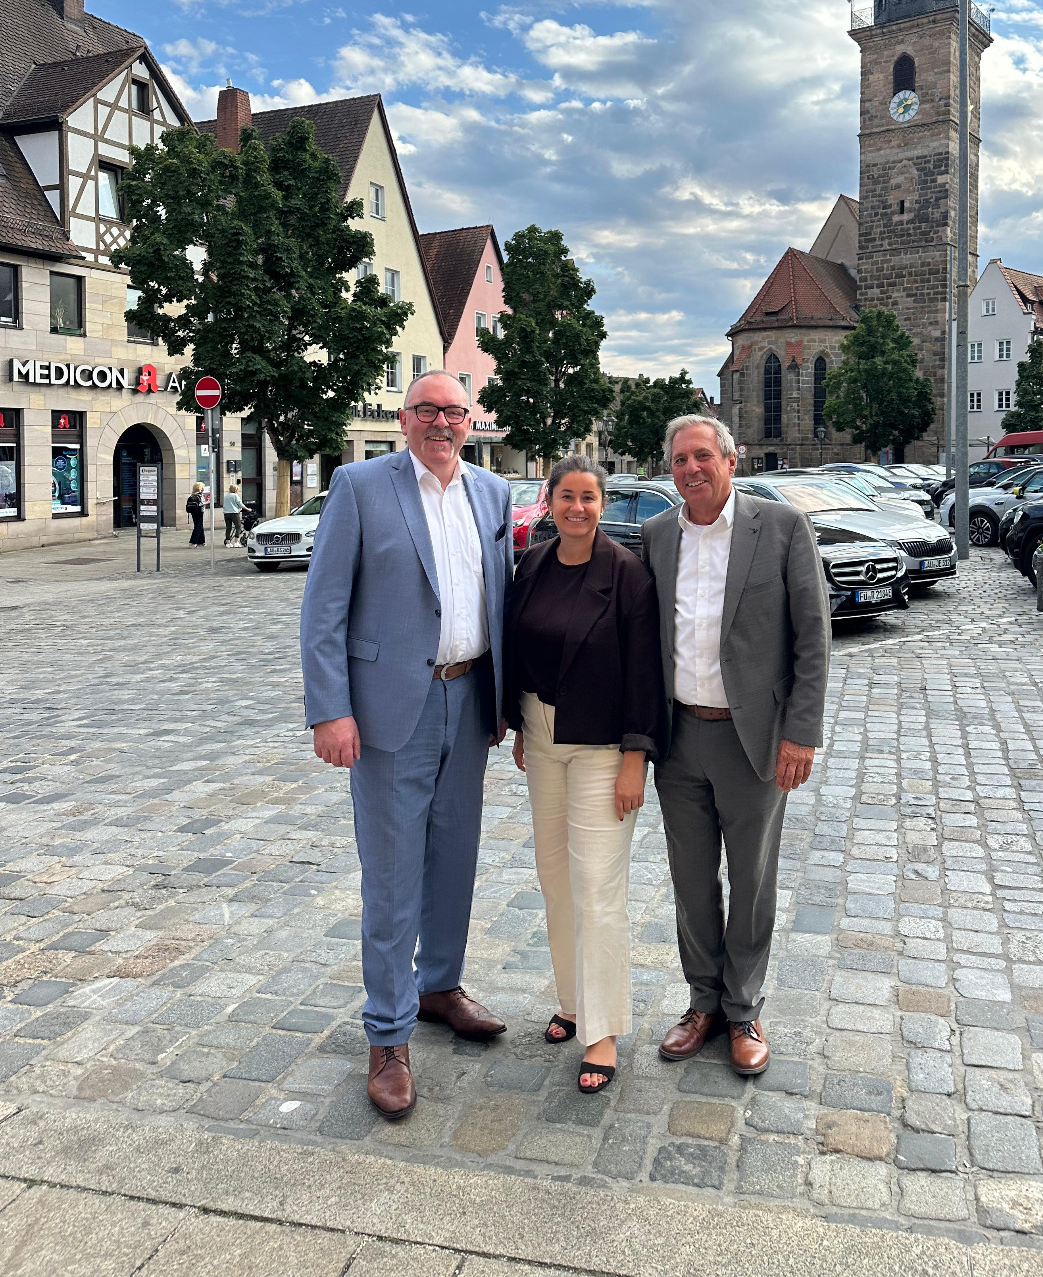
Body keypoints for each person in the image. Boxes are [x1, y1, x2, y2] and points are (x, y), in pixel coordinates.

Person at [300, 370, 513, 1120]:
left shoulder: (490, 494)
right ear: (404, 416)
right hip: (392, 709)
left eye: (454, 411)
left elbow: (500, 600)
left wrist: (506, 702)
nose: (442, 422)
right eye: (428, 410)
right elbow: (323, 606)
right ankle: (387, 1034)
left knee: (455, 858)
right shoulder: (360, 486)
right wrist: (330, 710)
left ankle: (440, 986)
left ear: (469, 420)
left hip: (470, 697)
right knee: (391, 875)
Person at [642, 415, 830, 1077]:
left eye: (702, 456)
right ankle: (702, 1004)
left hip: (754, 739)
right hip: (679, 738)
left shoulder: (778, 528)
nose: (691, 468)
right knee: (692, 884)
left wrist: (801, 732)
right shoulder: (657, 535)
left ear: (730, 459)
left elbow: (812, 634)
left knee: (750, 881)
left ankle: (743, 1007)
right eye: (679, 459)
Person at [504, 456, 661, 1093]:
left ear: (602, 504)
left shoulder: (627, 575)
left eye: (588, 497)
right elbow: (519, 648)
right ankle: (571, 1002)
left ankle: (603, 1030)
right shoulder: (534, 565)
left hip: (602, 746)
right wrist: (519, 725)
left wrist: (635, 759)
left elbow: (646, 673)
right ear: (549, 501)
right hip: (542, 738)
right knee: (554, 875)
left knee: (598, 888)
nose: (577, 508)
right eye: (566, 496)